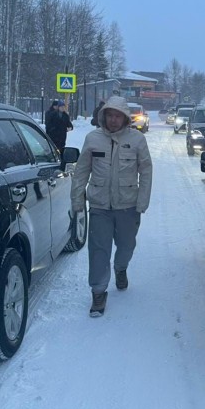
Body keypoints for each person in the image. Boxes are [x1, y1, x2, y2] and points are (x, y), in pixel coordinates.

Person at [70, 96, 152, 317]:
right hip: (99, 205)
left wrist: (142, 200)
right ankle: (98, 291)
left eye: (118, 116)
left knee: (126, 246)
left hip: (128, 204)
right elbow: (81, 172)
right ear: (104, 116)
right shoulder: (93, 139)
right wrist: (77, 198)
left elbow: (145, 171)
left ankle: (121, 268)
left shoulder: (136, 140)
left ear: (125, 118)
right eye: (110, 115)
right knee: (98, 249)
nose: (114, 120)